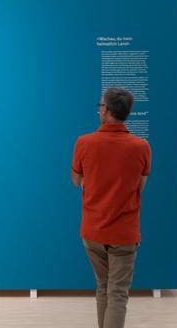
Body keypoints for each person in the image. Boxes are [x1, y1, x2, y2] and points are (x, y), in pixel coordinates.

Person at [71, 88, 151, 328]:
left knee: (103, 286)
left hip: (93, 230)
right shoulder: (141, 146)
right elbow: (140, 186)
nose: (99, 109)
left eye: (100, 105)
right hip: (124, 232)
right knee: (117, 292)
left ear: (105, 110)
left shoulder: (84, 142)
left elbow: (76, 180)